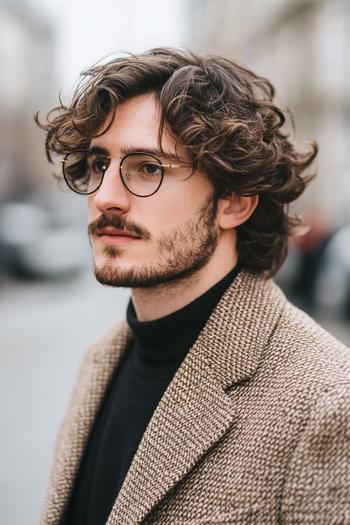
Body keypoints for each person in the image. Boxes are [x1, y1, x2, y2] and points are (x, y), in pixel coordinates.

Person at [36, 48, 350, 525]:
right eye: (100, 164)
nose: (105, 198)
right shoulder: (100, 360)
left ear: (235, 203)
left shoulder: (326, 403)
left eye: (148, 167)